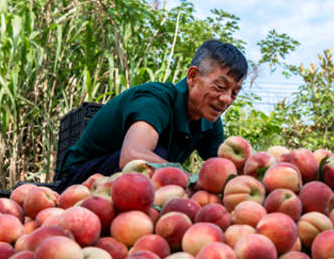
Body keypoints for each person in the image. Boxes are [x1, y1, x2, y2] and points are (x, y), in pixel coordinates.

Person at [56, 40, 247, 191]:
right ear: (192, 77)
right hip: (78, 181)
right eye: (220, 87)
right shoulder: (156, 100)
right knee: (158, 157)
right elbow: (132, 157)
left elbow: (227, 169)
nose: (226, 99)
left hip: (127, 187)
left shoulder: (209, 118)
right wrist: (192, 179)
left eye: (234, 93)